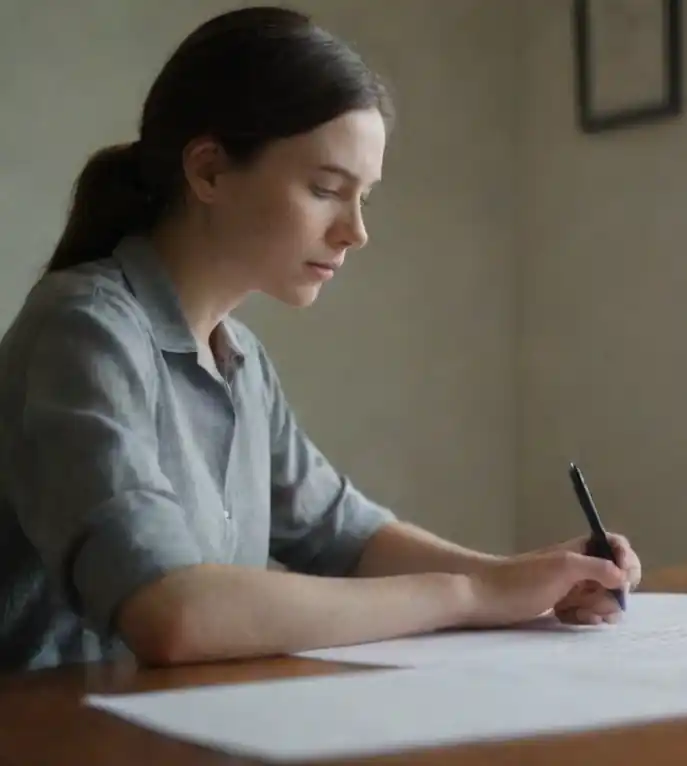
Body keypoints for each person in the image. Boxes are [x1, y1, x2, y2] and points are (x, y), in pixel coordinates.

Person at [0, 6, 641, 672]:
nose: (355, 231)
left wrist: (532, 577)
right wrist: (471, 592)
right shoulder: (81, 331)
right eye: (327, 189)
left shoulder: (236, 358)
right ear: (210, 170)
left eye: (364, 197)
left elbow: (350, 538)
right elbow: (175, 613)